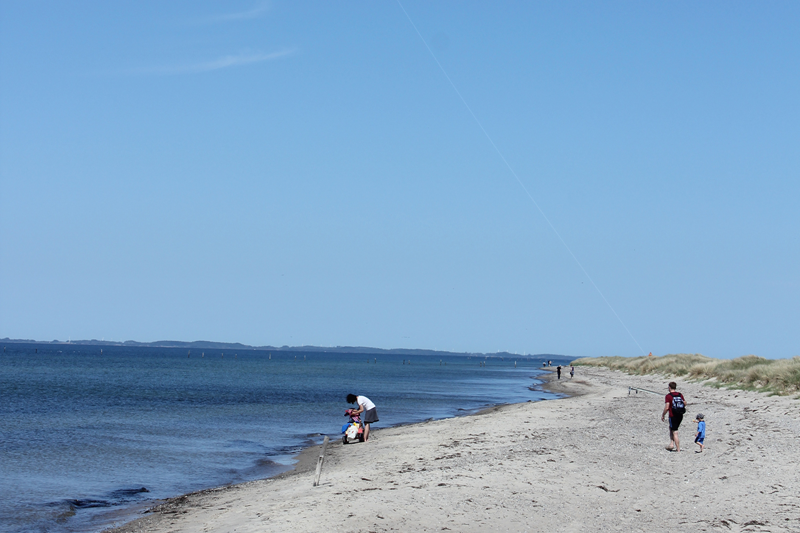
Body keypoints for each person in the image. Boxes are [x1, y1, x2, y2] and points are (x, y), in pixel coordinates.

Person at [661, 382, 686, 452]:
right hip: (680, 415)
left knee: (675, 432)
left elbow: (666, 407)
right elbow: (685, 403)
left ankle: (677, 449)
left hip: (672, 415)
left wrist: (663, 415)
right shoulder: (680, 395)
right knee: (672, 428)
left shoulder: (668, 396)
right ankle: (671, 443)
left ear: (669, 387)